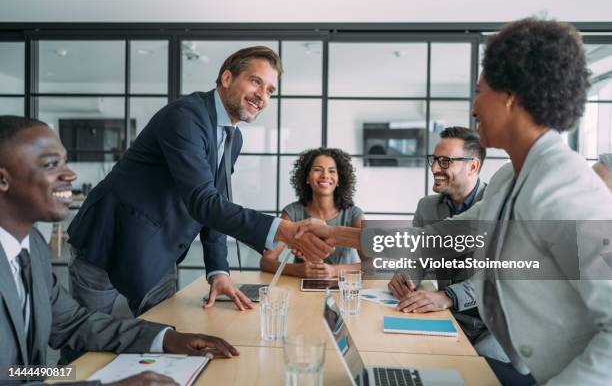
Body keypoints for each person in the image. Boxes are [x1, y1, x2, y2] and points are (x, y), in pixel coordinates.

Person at [296, 18, 612, 385]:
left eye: (481, 92)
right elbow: (438, 237)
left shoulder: (567, 189)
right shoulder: (510, 179)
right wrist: (334, 235)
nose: (474, 108)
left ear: (511, 96)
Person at [66, 46, 333, 324]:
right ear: (227, 78)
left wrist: (218, 270)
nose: (262, 96)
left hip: (159, 249)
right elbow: (202, 200)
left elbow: (216, 202)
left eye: (270, 90)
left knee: (164, 337)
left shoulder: (234, 138)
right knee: (86, 342)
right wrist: (284, 230)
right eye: (256, 81)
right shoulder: (185, 116)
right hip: (108, 241)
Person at [0, 116, 239, 385]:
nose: (70, 174)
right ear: (3, 179)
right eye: (51, 164)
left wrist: (166, 338)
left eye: (64, 161)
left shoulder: (31, 245)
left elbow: (72, 323)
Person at [388, 126, 507, 362]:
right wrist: (407, 276)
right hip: (444, 318)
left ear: (473, 166)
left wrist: (450, 295)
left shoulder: (498, 206)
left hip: (492, 325)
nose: (434, 169)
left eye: (444, 162)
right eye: (433, 160)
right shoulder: (427, 206)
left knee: (478, 369)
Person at [260, 148, 363, 278]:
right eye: (317, 169)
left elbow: (373, 264)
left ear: (339, 180)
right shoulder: (292, 213)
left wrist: (335, 270)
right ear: (307, 178)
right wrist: (297, 270)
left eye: (332, 171)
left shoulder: (354, 214)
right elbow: (266, 261)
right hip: (301, 289)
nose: (325, 175)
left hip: (344, 288)